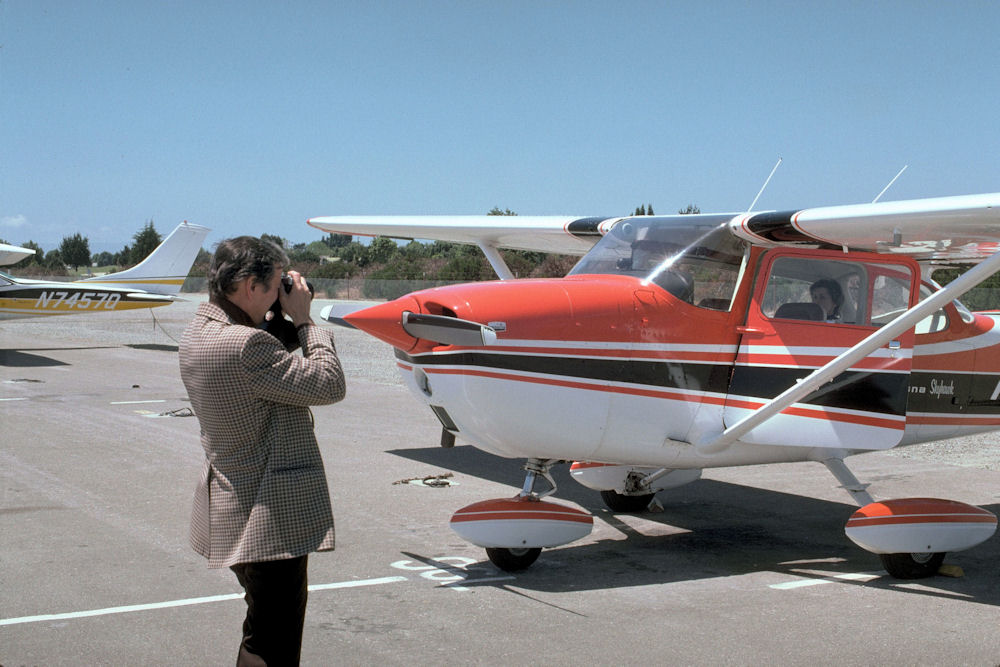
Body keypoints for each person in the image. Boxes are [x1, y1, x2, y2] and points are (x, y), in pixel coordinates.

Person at [178, 236, 346, 666]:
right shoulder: (246, 346)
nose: (280, 294)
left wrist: (279, 316)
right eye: (274, 285)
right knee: (272, 641)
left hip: (233, 504)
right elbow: (329, 384)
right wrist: (307, 321)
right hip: (268, 517)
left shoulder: (200, 333)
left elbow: (263, 356)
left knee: (261, 627)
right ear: (250, 286)